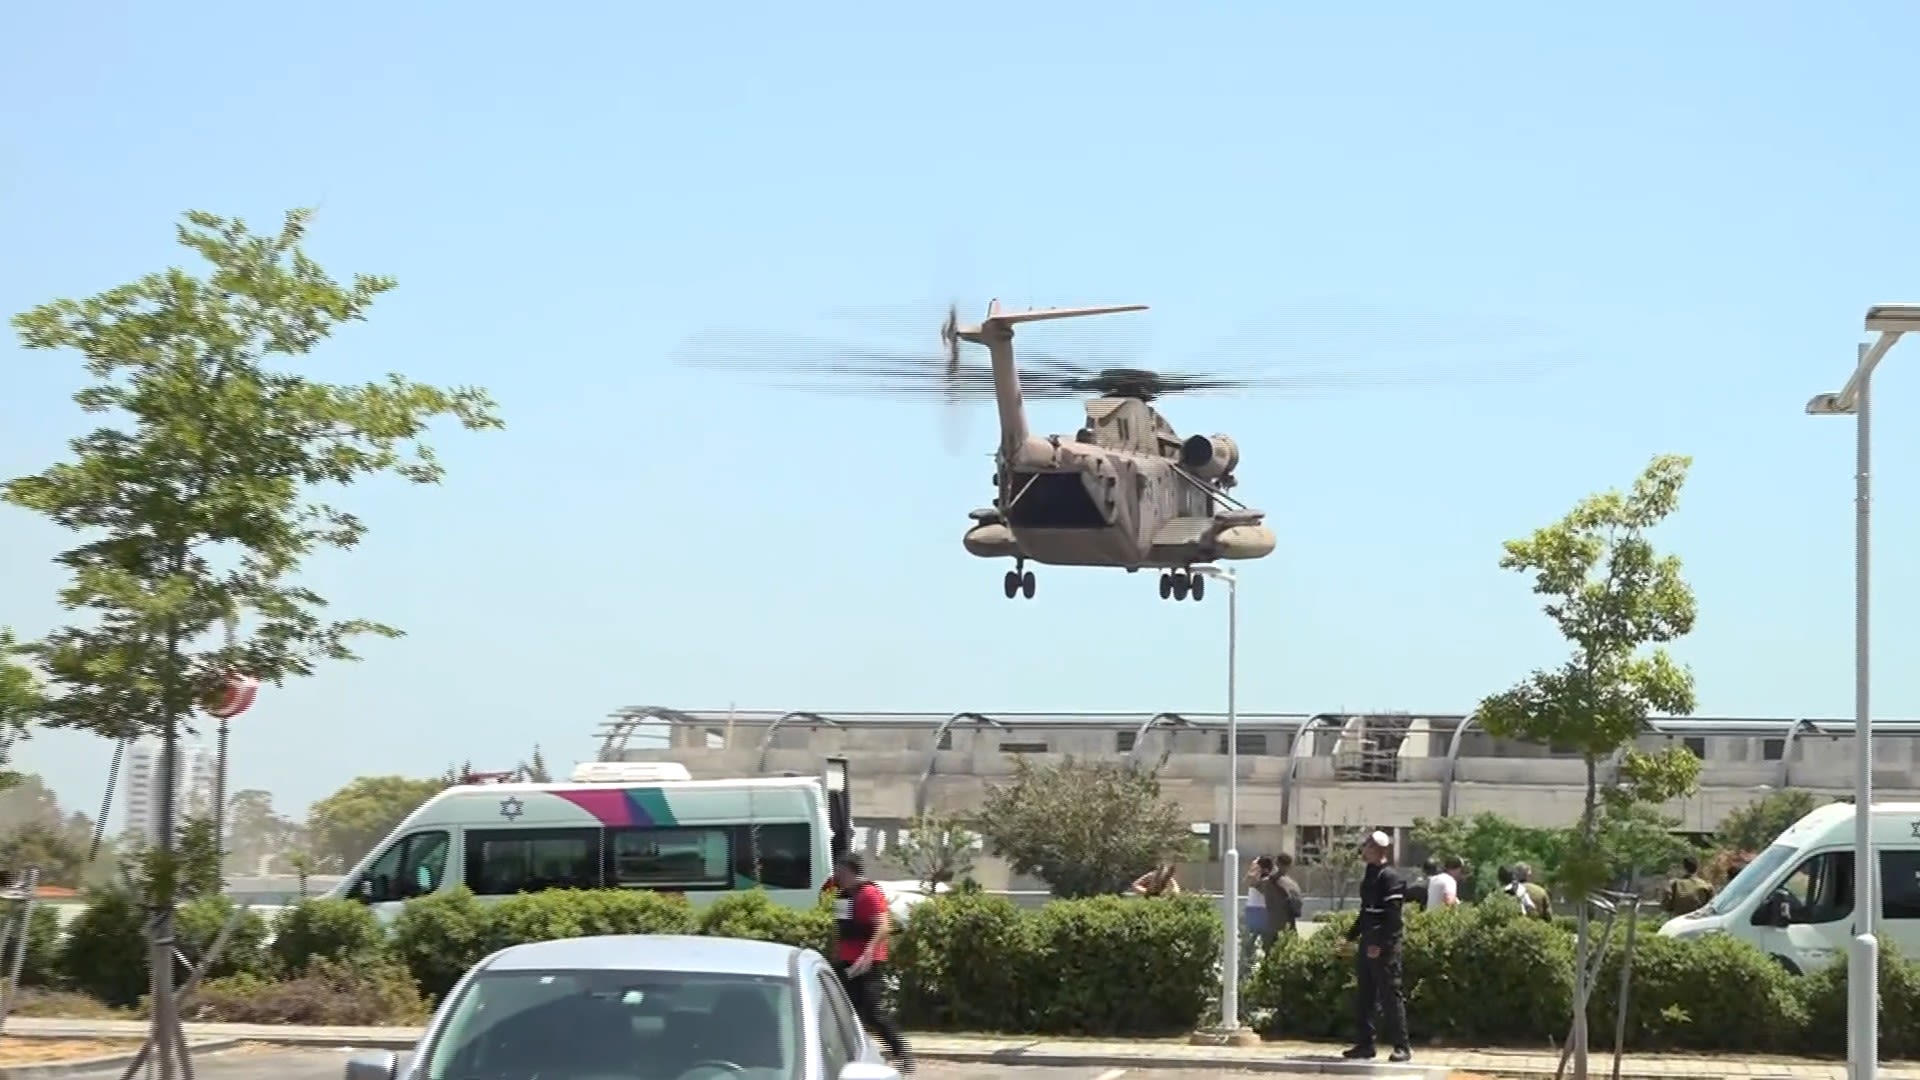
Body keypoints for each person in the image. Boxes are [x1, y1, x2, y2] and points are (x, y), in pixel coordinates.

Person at [830, 853, 913, 1073]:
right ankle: (851, 1056)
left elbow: (883, 926)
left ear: (852, 871)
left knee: (872, 1012)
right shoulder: (843, 895)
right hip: (846, 962)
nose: (838, 874)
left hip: (867, 964)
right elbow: (840, 930)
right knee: (843, 1012)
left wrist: (867, 952)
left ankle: (901, 1053)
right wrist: (834, 957)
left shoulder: (868, 894)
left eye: (841, 870)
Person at [1343, 830, 1411, 1063]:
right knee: (1365, 996)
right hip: (1367, 943)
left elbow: (1393, 918)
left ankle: (1402, 1046)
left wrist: (1381, 945)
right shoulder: (1370, 874)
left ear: (1377, 849)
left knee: (1391, 996)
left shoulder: (1390, 877)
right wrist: (1349, 938)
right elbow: (1366, 913)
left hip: (1384, 946)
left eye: (1367, 846)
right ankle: (1365, 1044)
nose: (1363, 850)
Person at [1265, 852, 1305, 938]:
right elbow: (1299, 905)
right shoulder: (1292, 883)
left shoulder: (1273, 881)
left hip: (1275, 923)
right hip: (1289, 922)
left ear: (1277, 864)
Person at [1244, 858, 1270, 946]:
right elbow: (1248, 881)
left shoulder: (1267, 879)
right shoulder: (1255, 877)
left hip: (1260, 909)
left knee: (1260, 936)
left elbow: (1261, 888)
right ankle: (1248, 954)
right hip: (1256, 908)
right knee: (1252, 937)